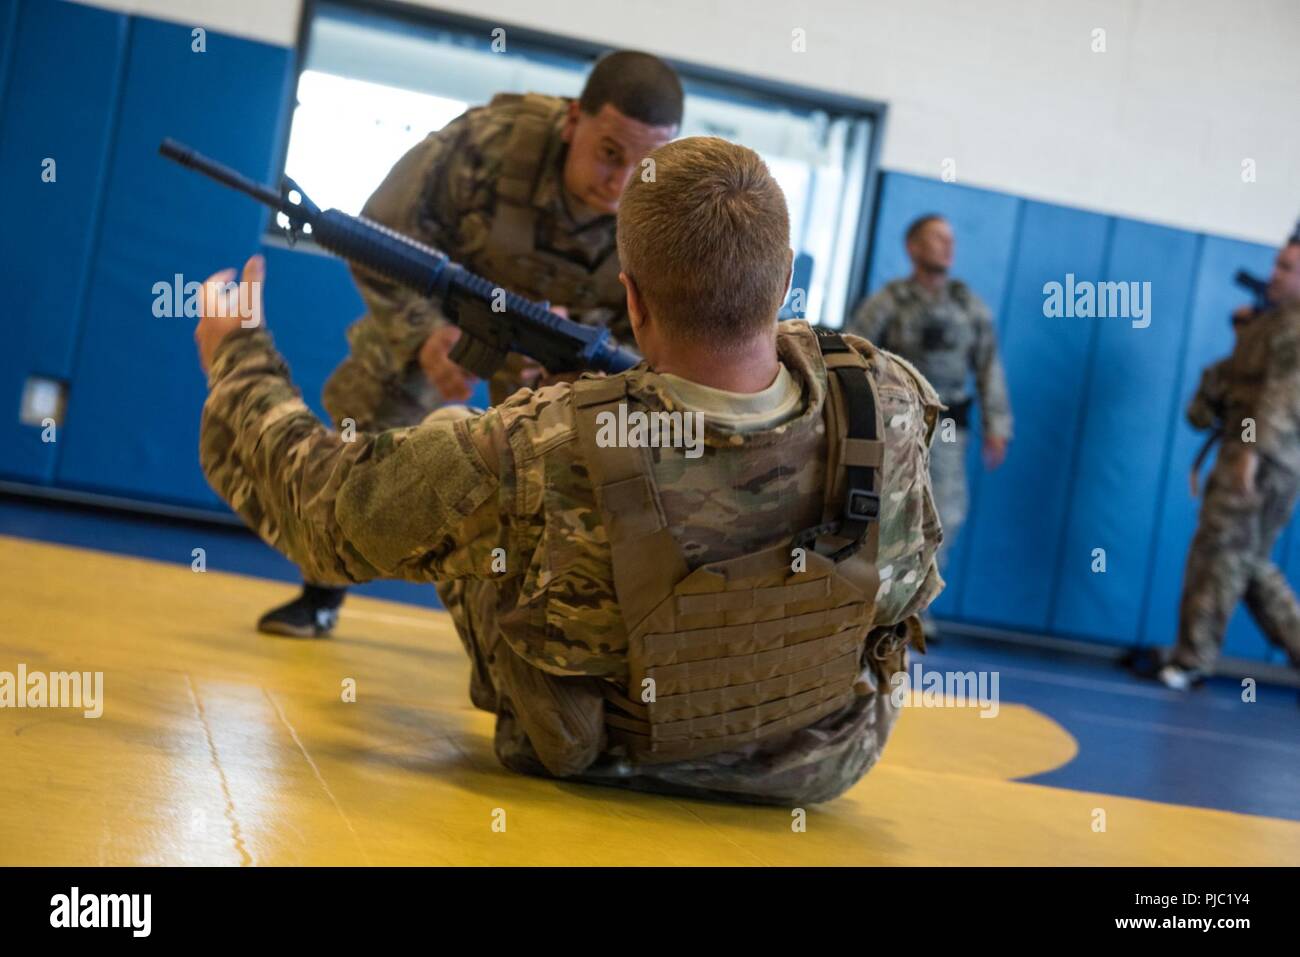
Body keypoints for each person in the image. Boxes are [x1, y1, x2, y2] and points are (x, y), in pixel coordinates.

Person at [194, 137, 944, 805]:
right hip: (817, 765)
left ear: (632, 296)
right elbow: (899, 595)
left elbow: (329, 514)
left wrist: (239, 357)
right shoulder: (888, 402)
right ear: (783, 280)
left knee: (460, 445)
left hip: (604, 757)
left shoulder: (540, 445)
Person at [259, 50, 683, 638]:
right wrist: (423, 332)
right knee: (369, 426)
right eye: (610, 154)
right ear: (570, 121)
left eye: (644, 164)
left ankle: (542, 633)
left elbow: (669, 336)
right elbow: (380, 236)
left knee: (582, 469)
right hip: (455, 313)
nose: (622, 181)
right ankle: (320, 591)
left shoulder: (668, 204)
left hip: (570, 352)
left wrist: (588, 362)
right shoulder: (487, 143)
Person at [845, 214, 1012, 634]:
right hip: (896, 422)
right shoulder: (890, 301)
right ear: (913, 248)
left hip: (949, 426)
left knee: (947, 513)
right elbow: (853, 351)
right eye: (936, 239)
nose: (947, 246)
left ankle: (916, 605)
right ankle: (872, 598)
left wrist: (998, 424)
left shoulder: (967, 307)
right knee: (887, 510)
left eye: (951, 239)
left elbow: (989, 366)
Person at [1160, 236, 1300, 690]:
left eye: (1286, 268)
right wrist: (1243, 339)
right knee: (1243, 560)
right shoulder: (1268, 324)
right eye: (1276, 265)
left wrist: (1252, 455)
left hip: (1265, 459)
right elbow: (1219, 397)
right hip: (1244, 451)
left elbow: (1280, 398)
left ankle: (1193, 658)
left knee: (1225, 557)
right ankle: (1192, 653)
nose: (1274, 274)